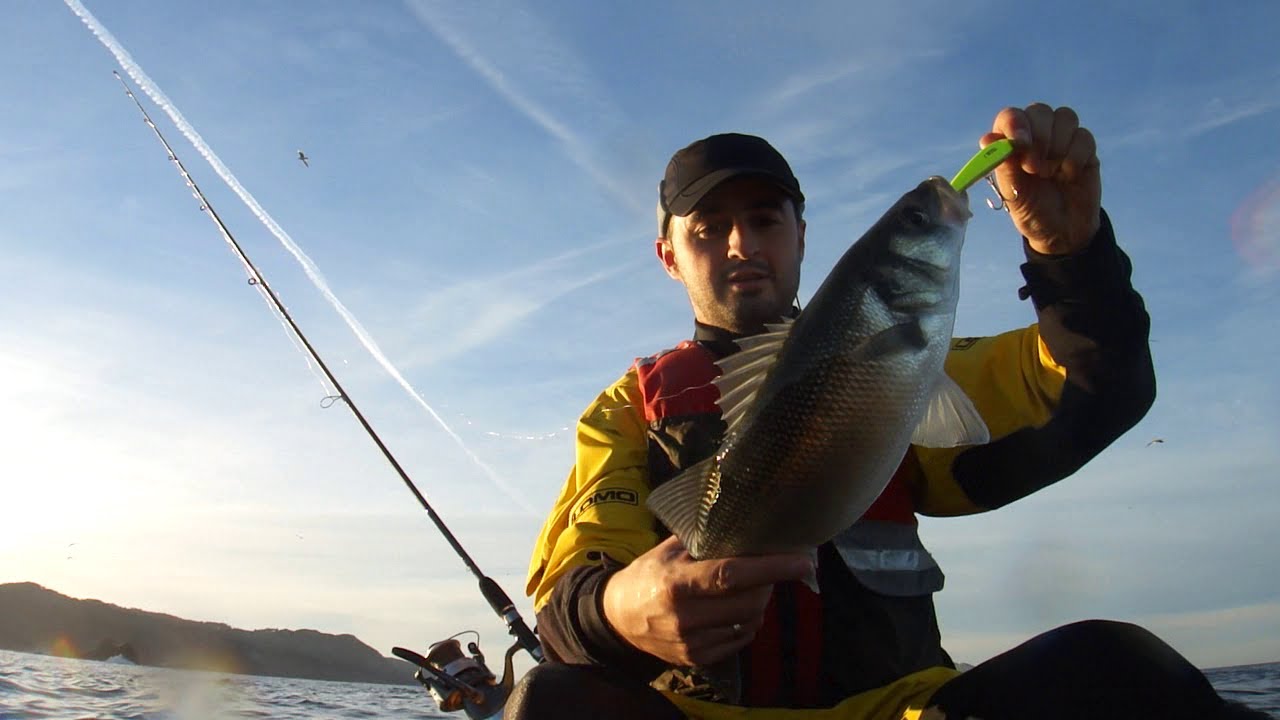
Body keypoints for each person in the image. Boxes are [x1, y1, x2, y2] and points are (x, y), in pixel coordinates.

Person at [505, 104, 1268, 720]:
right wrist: (620, 611)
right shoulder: (626, 413)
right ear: (669, 255)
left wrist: (1072, 257)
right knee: (548, 700)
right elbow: (571, 603)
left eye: (766, 219)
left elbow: (1098, 387)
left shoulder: (904, 366)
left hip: (904, 709)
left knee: (1119, 670)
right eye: (707, 229)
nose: (741, 244)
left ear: (802, 234)